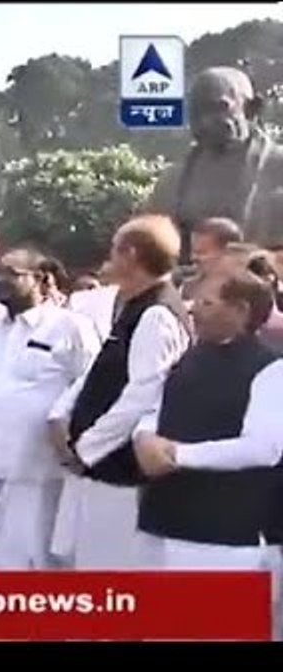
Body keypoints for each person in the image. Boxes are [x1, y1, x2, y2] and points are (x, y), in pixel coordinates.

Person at [132, 271, 283, 634]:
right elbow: (156, 410)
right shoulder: (191, 357)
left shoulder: (270, 369)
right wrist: (144, 438)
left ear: (241, 310)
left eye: (206, 302)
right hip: (165, 519)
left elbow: (264, 448)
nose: (193, 310)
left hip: (225, 533)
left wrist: (176, 456)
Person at [48, 214, 191, 568]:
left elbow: (142, 394)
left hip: (120, 472)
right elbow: (103, 372)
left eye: (114, 248)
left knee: (108, 570)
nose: (108, 256)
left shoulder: (156, 314)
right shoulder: (134, 306)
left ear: (130, 254)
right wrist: (62, 415)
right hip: (97, 468)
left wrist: (87, 447)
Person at [0, 249, 101, 569]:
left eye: (11, 274)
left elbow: (91, 384)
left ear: (40, 279)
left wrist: (74, 440)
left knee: (41, 557)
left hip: (41, 467)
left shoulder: (70, 327)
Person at [149, 66, 283, 252]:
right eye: (197, 113)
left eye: (219, 109)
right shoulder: (172, 180)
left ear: (252, 109)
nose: (205, 121)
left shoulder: (277, 168)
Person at [180, 217, 243, 303]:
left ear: (228, 253)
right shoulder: (186, 288)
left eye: (201, 252)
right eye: (193, 251)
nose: (193, 258)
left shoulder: (246, 293)